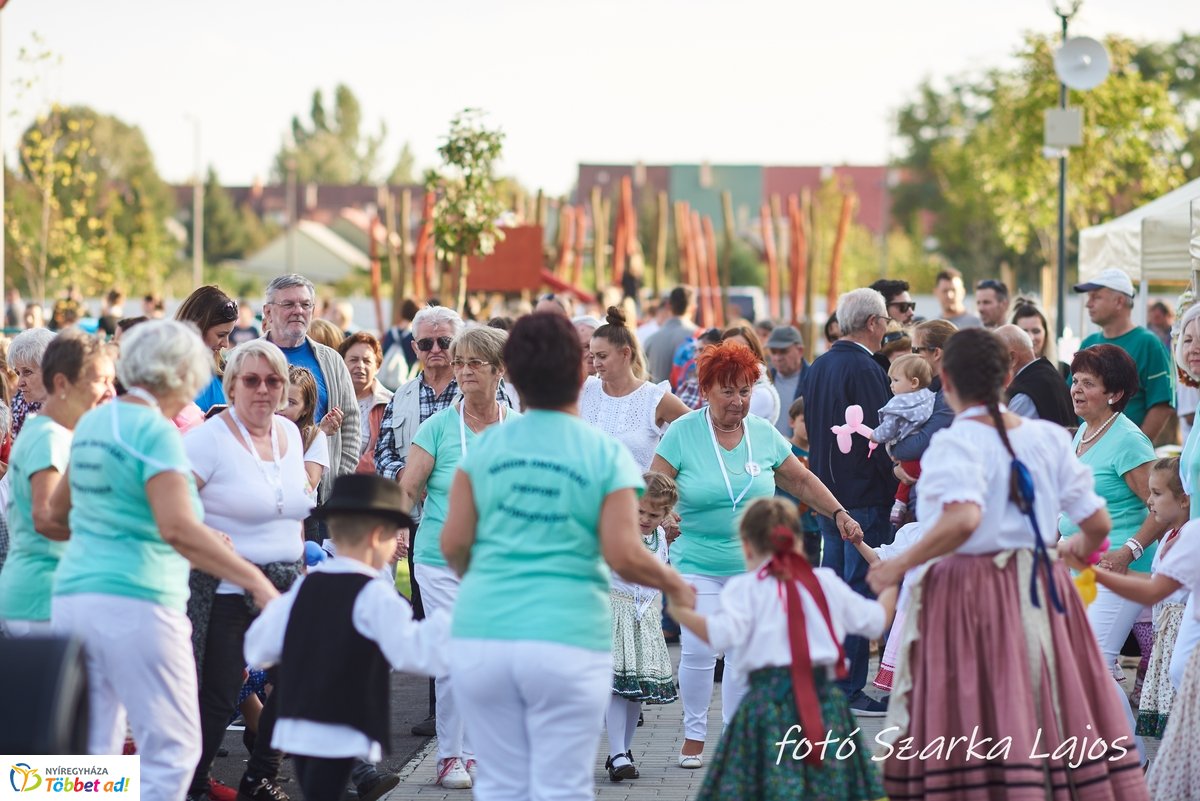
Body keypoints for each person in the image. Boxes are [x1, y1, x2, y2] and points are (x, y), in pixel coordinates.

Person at [867, 327, 1148, 800]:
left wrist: (898, 565)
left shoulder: (954, 444)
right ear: (1008, 376)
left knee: (974, 711)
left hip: (971, 591)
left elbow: (962, 519)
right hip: (1040, 586)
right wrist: (1069, 551)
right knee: (1043, 704)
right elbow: (1097, 522)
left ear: (947, 381)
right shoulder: (1049, 439)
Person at [440, 311, 694, 801]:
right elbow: (624, 552)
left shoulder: (487, 450)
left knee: (501, 780)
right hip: (569, 634)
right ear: (577, 371)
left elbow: (453, 546)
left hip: (493, 630)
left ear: (510, 372)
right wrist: (674, 585)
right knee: (562, 781)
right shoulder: (604, 455)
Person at [48, 320, 280, 801]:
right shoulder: (154, 432)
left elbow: (58, 513)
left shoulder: (94, 422)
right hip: (139, 601)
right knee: (174, 748)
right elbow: (178, 528)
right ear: (178, 373)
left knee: (93, 749)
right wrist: (255, 582)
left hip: (75, 597)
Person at [650, 341, 865, 765]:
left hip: (753, 568)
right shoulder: (683, 432)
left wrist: (838, 512)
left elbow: (800, 482)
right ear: (707, 390)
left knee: (741, 652)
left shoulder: (764, 434)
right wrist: (664, 516)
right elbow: (655, 487)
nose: (738, 400)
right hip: (696, 562)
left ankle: (734, 735)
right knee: (697, 647)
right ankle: (693, 736)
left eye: (745, 390)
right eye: (728, 391)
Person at [669, 498, 896, 801]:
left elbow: (718, 635)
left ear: (746, 546)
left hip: (765, 706)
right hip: (824, 703)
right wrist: (893, 583)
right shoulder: (825, 583)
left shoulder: (743, 589)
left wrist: (681, 611)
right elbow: (875, 621)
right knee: (829, 783)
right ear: (798, 542)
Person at [243, 475, 448, 801]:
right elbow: (415, 653)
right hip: (342, 727)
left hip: (297, 723)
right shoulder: (377, 596)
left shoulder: (303, 587)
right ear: (378, 536)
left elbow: (258, 646)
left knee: (317, 790)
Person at [183, 340, 314, 801]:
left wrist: (297, 565)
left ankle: (261, 776)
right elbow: (172, 509)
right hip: (226, 587)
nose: (263, 389)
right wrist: (204, 531)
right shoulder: (206, 439)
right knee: (218, 697)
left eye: (273, 380)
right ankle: (191, 784)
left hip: (286, 583)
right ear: (230, 384)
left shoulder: (290, 433)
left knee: (299, 678)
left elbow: (293, 508)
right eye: (251, 380)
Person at [399, 326, 518, 790]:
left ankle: (480, 752)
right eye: (460, 362)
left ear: (498, 370)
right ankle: (451, 757)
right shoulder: (438, 428)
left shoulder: (517, 427)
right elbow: (408, 488)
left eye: (475, 363)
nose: (464, 371)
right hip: (440, 558)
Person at [800, 287, 896, 715]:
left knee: (833, 590)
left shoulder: (819, 365)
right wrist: (891, 486)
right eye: (886, 322)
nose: (888, 329)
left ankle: (830, 683)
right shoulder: (869, 369)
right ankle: (847, 688)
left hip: (826, 496)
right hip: (860, 498)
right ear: (874, 323)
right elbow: (882, 436)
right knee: (856, 591)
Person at [1061, 345, 1163, 705]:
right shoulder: (1086, 431)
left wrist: (1128, 551)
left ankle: (1132, 759)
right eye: (1075, 381)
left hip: (1119, 570)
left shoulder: (1128, 440)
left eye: (1087, 383)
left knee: (1094, 666)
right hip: (1082, 569)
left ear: (1115, 394)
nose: (1076, 389)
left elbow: (1162, 507)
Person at [0, 330, 114, 636]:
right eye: (100, 381)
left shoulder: (53, 432)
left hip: (47, 596)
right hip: (40, 600)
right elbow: (46, 518)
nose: (109, 392)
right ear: (63, 384)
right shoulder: (48, 436)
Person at [605, 472, 679, 783]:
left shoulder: (660, 539)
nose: (645, 519)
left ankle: (623, 751)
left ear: (665, 515)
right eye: (640, 511)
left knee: (637, 690)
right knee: (617, 689)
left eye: (654, 514)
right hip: (616, 611)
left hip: (645, 618)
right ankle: (616, 751)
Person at [262, 274, 360, 490]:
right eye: (288, 304)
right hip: (258, 489)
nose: (298, 311)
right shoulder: (244, 358)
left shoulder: (331, 360)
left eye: (305, 305)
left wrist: (338, 482)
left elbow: (351, 425)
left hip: (321, 498)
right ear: (268, 311)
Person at [1126, 457, 1191, 739]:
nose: (1149, 501)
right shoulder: (1166, 538)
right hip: (1164, 640)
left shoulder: (1190, 537)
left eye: (1157, 493)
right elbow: (1155, 584)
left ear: (1185, 499)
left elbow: (1159, 590)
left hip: (1179, 634)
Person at [582, 307, 689, 470]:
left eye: (602, 356)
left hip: (637, 494)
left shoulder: (655, 398)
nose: (596, 362)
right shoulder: (585, 390)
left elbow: (699, 429)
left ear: (625, 353)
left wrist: (671, 474)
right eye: (593, 355)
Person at [1074, 267, 1174, 439]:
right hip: (1087, 450)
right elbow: (1072, 396)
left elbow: (1161, 404)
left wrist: (1134, 449)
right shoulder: (1088, 343)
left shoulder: (1148, 343)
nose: (1088, 304)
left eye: (1096, 297)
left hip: (1126, 457)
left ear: (1119, 301)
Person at [871, 354, 935, 526]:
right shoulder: (930, 397)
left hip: (908, 458)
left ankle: (899, 505)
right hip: (925, 459)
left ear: (913, 382)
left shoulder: (899, 404)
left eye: (896, 380)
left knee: (904, 481)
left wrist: (874, 435)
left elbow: (888, 429)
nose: (891, 385)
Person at [995, 324, 1076, 426]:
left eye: (994, 357)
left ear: (1012, 358)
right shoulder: (1050, 375)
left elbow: (1007, 436)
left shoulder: (1024, 394)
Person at [175, 285, 239, 415]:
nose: (226, 344)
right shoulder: (164, 373)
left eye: (228, 335)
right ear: (197, 328)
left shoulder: (225, 372)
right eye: (221, 335)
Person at [338, 332, 393, 474]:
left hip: (368, 485)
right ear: (341, 363)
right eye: (353, 360)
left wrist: (349, 470)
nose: (360, 366)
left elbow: (386, 451)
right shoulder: (330, 396)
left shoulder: (390, 404)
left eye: (367, 361)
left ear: (378, 366)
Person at [720, 325, 781, 425]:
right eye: (726, 349)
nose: (732, 354)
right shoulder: (718, 386)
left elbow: (725, 426)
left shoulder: (762, 393)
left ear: (754, 352)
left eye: (740, 349)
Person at [644, 286, 698, 383]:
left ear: (668, 305)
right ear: (694, 308)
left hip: (657, 397)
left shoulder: (651, 340)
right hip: (687, 397)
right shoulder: (700, 337)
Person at [8, 327, 54, 439]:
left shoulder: (76, 409)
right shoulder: (21, 403)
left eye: (27, 372)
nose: (19, 383)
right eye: (18, 373)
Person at [765, 326, 809, 439]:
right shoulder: (764, 379)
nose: (777, 357)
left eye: (783, 351)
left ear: (800, 351)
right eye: (773, 352)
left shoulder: (814, 380)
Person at [1012, 300, 1069, 377]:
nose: (1030, 338)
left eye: (1036, 331)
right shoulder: (1002, 374)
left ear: (1046, 334)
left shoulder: (1064, 371)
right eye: (1023, 332)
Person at [674, 328, 723, 410]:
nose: (695, 357)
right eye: (695, 350)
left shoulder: (725, 389)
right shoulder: (687, 386)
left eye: (702, 350)